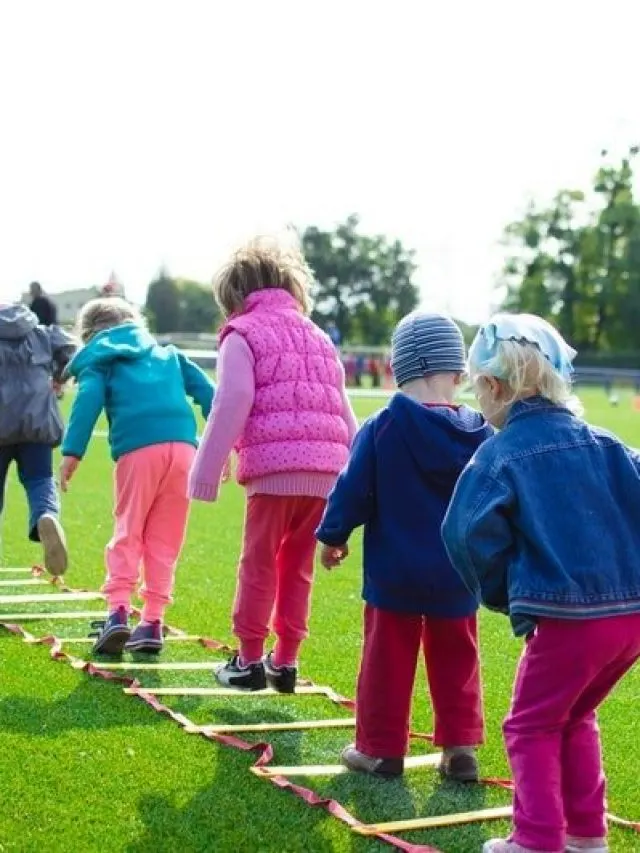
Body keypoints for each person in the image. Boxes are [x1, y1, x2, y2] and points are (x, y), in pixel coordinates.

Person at [442, 314, 640, 853]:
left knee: (529, 726)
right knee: (576, 716)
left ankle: (535, 841)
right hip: (630, 621)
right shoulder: (609, 444)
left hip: (569, 621)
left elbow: (462, 532)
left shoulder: (500, 453)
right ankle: (586, 836)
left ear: (493, 386)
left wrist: (506, 592)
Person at [316, 312, 493, 781]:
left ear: (395, 369)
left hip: (394, 571)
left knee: (386, 661)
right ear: (458, 374)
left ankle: (380, 749)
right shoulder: (482, 433)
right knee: (458, 658)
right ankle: (460, 749)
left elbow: (352, 489)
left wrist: (333, 536)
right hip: (458, 572)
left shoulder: (383, 426)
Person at [189, 236, 358, 693]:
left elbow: (234, 399)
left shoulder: (241, 334)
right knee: (297, 566)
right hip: (326, 474)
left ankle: (247, 661)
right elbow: (345, 411)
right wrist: (358, 480)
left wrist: (207, 467)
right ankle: (285, 661)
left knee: (258, 563)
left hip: (273, 471)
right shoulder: (319, 337)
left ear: (234, 296)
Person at [60, 298, 214, 655]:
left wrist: (72, 452)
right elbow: (211, 396)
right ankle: (152, 621)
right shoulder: (169, 354)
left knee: (128, 530)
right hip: (184, 451)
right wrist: (221, 446)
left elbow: (88, 400)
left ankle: (117, 612)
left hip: (138, 450)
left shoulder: (102, 360)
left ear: (89, 335)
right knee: (165, 538)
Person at [0, 302, 76, 574]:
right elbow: (73, 351)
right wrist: (58, 377)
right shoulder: (42, 333)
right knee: (40, 480)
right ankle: (46, 516)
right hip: (37, 422)